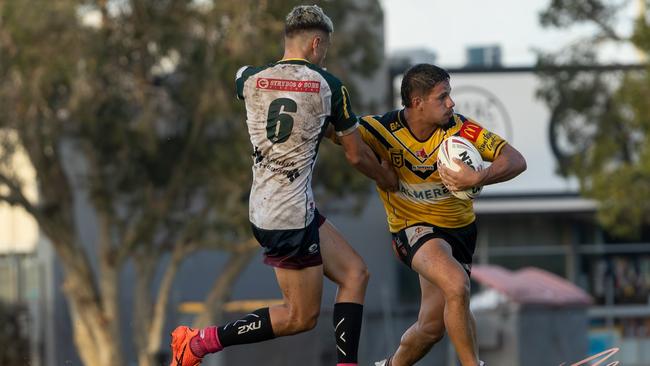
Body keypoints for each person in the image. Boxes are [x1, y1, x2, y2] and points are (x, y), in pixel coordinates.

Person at [168, 5, 398, 366]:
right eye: (327, 47)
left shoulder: (249, 78)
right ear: (316, 43)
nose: (326, 54)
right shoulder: (329, 87)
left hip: (269, 206)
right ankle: (197, 344)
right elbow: (356, 156)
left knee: (355, 273)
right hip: (289, 218)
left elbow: (241, 80)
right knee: (299, 317)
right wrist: (387, 177)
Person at [355, 64, 526, 366]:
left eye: (450, 95)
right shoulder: (380, 130)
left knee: (431, 328)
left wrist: (477, 178)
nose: (451, 103)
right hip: (412, 228)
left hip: (460, 232)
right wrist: (377, 171)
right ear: (417, 102)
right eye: (442, 97)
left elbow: (515, 159)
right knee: (456, 284)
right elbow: (339, 133)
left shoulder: (461, 129)